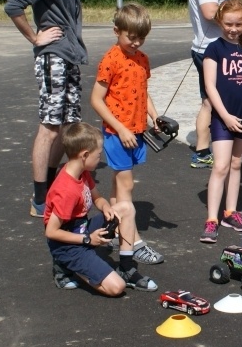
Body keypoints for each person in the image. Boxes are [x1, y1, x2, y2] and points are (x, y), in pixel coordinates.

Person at [4, 0, 92, 218]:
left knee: (66, 124)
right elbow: (14, 4)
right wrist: (35, 37)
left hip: (68, 55)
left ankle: (54, 185)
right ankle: (40, 198)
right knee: (50, 127)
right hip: (53, 55)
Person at [90, 4, 164, 265]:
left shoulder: (142, 59)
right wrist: (120, 128)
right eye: (130, 37)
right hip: (117, 133)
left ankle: (113, 225)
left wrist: (155, 116)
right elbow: (96, 100)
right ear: (116, 31)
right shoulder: (111, 60)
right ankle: (132, 243)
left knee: (117, 183)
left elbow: (143, 92)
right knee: (127, 185)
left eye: (141, 38)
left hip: (136, 131)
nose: (136, 42)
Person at [44, 122, 158, 294]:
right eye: (98, 156)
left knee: (126, 208)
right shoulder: (66, 191)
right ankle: (65, 265)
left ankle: (126, 269)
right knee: (116, 288)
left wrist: (106, 207)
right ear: (85, 155)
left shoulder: (81, 171)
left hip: (81, 229)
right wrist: (88, 239)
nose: (100, 159)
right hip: (66, 244)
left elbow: (97, 198)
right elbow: (51, 232)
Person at [200, 0, 242, 243]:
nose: (234, 29)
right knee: (221, 166)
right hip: (223, 117)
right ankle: (211, 219)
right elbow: (210, 86)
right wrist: (225, 116)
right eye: (229, 24)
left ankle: (230, 212)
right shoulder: (214, 48)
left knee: (236, 164)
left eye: (238, 24)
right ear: (220, 22)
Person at [188, 0, 231, 168]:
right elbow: (209, 11)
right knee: (213, 102)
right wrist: (235, 16)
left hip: (207, 49)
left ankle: (211, 149)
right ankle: (205, 152)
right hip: (211, 51)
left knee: (210, 101)